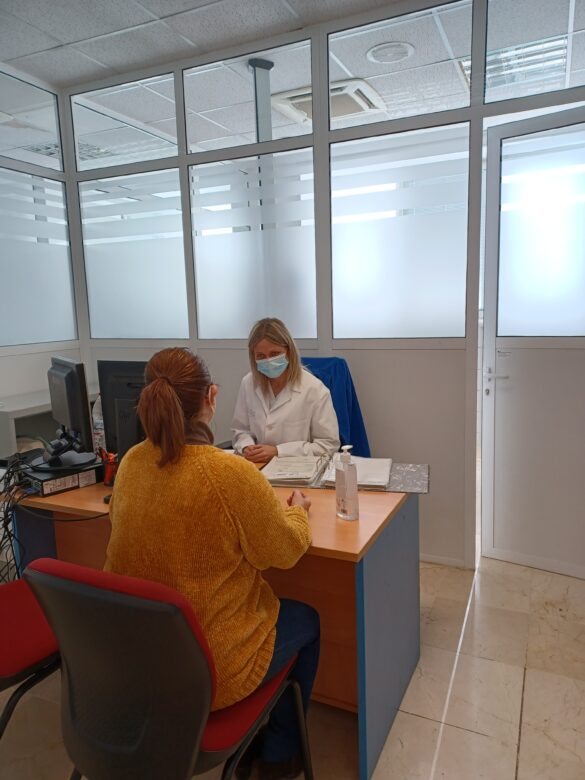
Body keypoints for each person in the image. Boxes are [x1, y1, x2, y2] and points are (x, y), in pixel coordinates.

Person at [104, 347, 320, 780]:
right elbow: (284, 551)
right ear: (211, 397)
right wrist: (298, 512)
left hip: (141, 663)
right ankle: (281, 754)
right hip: (212, 673)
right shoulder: (228, 475)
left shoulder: (130, 464)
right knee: (308, 620)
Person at [232, 318, 340, 462]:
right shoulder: (248, 383)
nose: (268, 361)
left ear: (289, 352)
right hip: (256, 465)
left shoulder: (314, 389)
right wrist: (246, 446)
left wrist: (279, 451)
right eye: (261, 356)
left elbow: (328, 445)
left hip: (296, 468)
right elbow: (240, 430)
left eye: (275, 354)